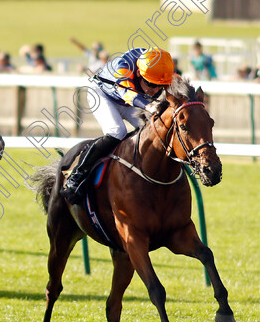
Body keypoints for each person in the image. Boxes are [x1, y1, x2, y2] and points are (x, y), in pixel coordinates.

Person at [61, 46, 177, 204]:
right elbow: (127, 94)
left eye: (160, 86)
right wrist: (149, 106)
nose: (155, 90)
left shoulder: (159, 66)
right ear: (139, 73)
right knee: (117, 131)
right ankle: (77, 176)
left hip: (129, 101)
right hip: (103, 94)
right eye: (151, 84)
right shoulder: (124, 66)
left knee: (152, 129)